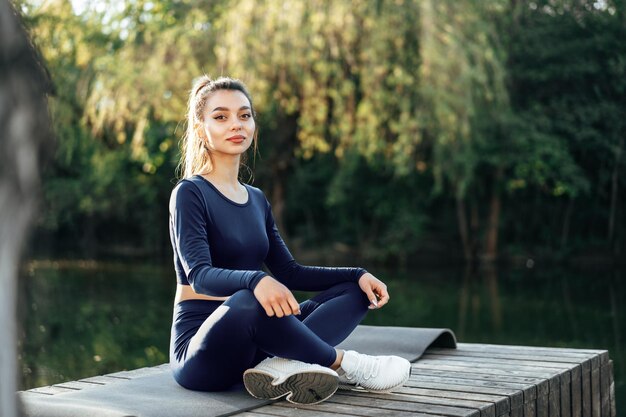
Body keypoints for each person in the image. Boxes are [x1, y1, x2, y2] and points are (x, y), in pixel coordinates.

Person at [168, 75, 411, 405]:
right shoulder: (189, 193)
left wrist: (357, 274)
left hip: (258, 346)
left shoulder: (256, 199)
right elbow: (200, 275)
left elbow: (291, 273)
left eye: (244, 115)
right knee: (246, 300)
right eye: (221, 117)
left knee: (354, 292)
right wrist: (256, 281)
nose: (236, 124)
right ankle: (348, 364)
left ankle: (280, 364)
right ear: (200, 129)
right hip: (203, 352)